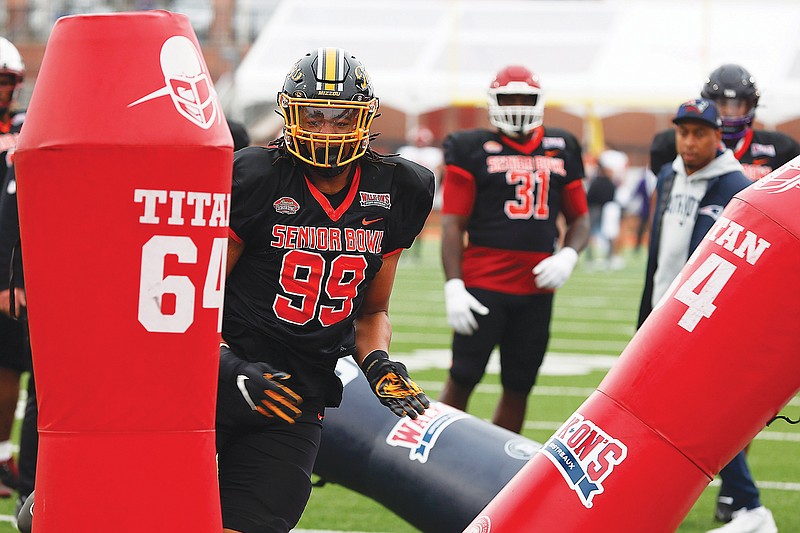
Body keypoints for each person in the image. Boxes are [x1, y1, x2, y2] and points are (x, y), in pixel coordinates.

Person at [217, 47, 433, 533]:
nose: (327, 131)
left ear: (365, 119)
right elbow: (196, 300)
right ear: (291, 114)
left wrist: (377, 362)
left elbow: (370, 312)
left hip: (292, 397)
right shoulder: (255, 176)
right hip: (207, 382)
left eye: (341, 118)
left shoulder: (399, 188)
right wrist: (226, 368)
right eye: (314, 115)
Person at [651, 64, 796, 529]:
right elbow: (665, 247)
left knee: (715, 410)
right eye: (724, 104)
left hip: (741, 295)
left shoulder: (769, 157)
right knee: (693, 409)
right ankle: (737, 500)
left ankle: (744, 503)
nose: (732, 113)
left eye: (740, 105)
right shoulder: (673, 168)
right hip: (685, 298)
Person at [438, 65, 589, 434]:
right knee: (463, 376)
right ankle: (432, 454)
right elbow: (452, 224)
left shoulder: (562, 145)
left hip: (537, 288)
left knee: (520, 384)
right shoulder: (469, 147)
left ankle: (500, 468)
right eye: (509, 98)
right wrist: (454, 285)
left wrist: (568, 254)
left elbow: (581, 219)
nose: (517, 105)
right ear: (493, 102)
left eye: (525, 98)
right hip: (483, 285)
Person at [650, 64, 800, 181]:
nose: (728, 111)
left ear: (750, 105)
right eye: (722, 104)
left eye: (736, 105)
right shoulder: (675, 144)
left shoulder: (782, 147)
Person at [0, 36, 27, 501]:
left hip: (10, 265)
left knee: (11, 363)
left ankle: (3, 452)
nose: (5, 90)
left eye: (9, 82)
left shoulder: (23, 127)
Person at [586, 149, 627, 270]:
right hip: (598, 209)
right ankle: (595, 258)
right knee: (593, 234)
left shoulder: (603, 181)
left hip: (602, 209)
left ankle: (609, 257)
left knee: (609, 234)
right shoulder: (603, 181)